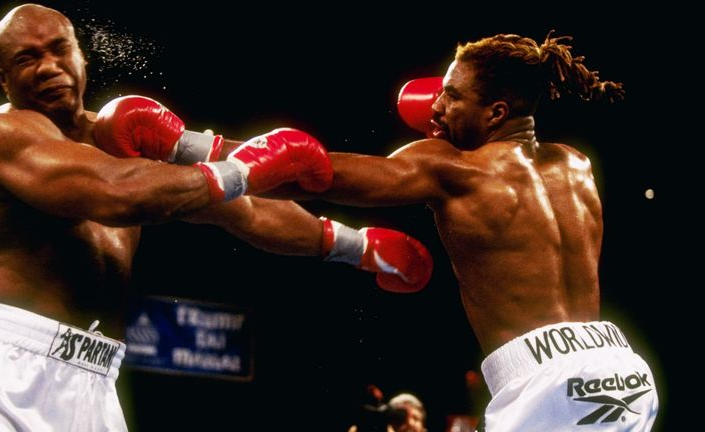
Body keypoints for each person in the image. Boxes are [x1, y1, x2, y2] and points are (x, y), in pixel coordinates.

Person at [0, 4, 432, 431]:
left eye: (57, 49)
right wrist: (242, 166)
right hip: (0, 364)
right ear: (3, 78)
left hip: (94, 375)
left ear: (81, 55)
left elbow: (246, 210)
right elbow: (115, 194)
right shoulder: (3, 133)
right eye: (26, 58)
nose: (47, 67)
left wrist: (357, 247)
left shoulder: (118, 139)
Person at [282, 32, 659, 430]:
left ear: (496, 113)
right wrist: (460, 114)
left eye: (452, 96)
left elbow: (319, 174)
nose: (436, 106)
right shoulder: (576, 165)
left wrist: (215, 155)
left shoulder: (454, 170)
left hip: (547, 385)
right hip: (622, 370)